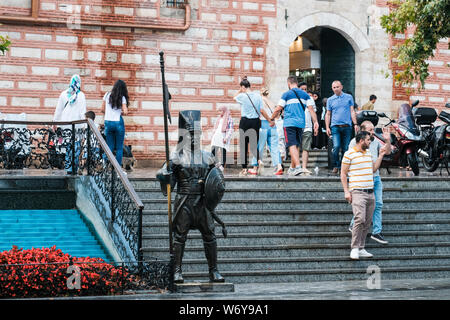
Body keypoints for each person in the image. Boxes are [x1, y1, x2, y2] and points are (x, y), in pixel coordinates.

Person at [156, 110, 225, 283]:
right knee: (180, 237)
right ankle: (177, 271)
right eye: (190, 134)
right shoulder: (176, 157)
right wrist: (165, 174)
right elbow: (165, 179)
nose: (194, 137)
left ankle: (213, 270)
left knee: (210, 236)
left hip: (202, 202)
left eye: (197, 134)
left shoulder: (208, 157)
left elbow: (216, 181)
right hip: (184, 202)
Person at [340, 131, 387, 260]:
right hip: (357, 191)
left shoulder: (368, 154)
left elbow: (373, 169)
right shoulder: (349, 154)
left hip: (370, 192)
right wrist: (346, 191)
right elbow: (343, 174)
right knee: (359, 218)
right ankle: (354, 248)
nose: (369, 142)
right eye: (367, 140)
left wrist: (381, 155)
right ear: (361, 140)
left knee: (367, 222)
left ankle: (361, 247)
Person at [348, 121, 391, 244]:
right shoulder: (353, 143)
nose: (373, 132)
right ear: (362, 131)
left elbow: (387, 152)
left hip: (375, 177)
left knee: (378, 204)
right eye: (370, 130)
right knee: (363, 206)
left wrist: (387, 141)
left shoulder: (375, 141)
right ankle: (353, 225)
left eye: (373, 129)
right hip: (363, 179)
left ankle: (377, 232)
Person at [270, 76, 319, 176]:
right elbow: (311, 110)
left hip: (289, 123)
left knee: (291, 145)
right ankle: (292, 168)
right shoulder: (305, 95)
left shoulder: (286, 94)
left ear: (289, 84)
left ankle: (297, 167)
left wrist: (271, 119)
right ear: (297, 83)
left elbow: (278, 109)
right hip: (301, 124)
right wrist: (316, 122)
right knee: (295, 146)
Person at [234, 76, 269, 176]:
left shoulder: (242, 96)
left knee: (243, 145)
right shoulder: (258, 96)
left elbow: (234, 97)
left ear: (243, 87)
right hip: (256, 121)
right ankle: (259, 160)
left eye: (241, 88)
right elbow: (261, 110)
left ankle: (244, 169)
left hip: (245, 121)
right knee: (253, 144)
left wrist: (240, 90)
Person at [53, 74, 87, 174]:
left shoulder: (64, 94)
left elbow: (58, 110)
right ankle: (73, 168)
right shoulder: (81, 95)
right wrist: (85, 126)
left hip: (65, 126)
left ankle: (68, 167)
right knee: (76, 146)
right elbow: (82, 113)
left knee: (68, 146)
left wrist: (54, 122)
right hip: (77, 126)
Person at [325, 80, 358, 174]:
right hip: (335, 127)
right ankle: (336, 165)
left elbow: (352, 111)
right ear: (332, 88)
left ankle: (343, 167)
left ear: (341, 87)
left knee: (346, 148)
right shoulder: (330, 100)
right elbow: (328, 114)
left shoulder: (349, 97)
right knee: (336, 146)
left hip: (347, 126)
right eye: (334, 87)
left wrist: (355, 124)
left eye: (337, 87)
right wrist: (327, 127)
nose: (336, 89)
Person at [249, 88, 283, 175]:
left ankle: (255, 168)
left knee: (259, 147)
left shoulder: (260, 101)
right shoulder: (271, 102)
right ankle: (279, 166)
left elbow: (260, 111)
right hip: (273, 125)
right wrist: (272, 120)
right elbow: (277, 111)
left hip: (263, 124)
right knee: (274, 147)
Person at [101, 79, 129, 167]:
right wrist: (120, 111)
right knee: (119, 147)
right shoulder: (122, 98)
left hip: (108, 123)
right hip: (118, 122)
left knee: (109, 146)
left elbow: (102, 110)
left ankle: (105, 164)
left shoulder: (107, 95)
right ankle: (117, 168)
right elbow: (125, 112)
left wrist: (109, 113)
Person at [210, 106, 234, 172]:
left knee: (223, 151)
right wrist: (213, 136)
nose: (219, 112)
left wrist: (226, 138)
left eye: (220, 111)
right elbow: (215, 127)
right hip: (216, 136)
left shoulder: (229, 118)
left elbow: (230, 129)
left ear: (224, 111)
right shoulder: (218, 118)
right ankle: (216, 164)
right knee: (213, 151)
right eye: (219, 111)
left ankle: (222, 166)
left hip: (223, 136)